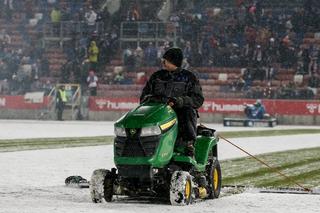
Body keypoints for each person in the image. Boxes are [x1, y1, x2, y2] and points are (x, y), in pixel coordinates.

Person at [140, 48, 204, 157]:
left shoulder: (189, 77)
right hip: (159, 112)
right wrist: (155, 100)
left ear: (172, 61)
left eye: (165, 60)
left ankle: (188, 144)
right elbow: (143, 98)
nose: (163, 62)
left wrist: (180, 101)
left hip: (180, 113)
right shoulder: (157, 76)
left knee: (187, 111)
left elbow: (198, 99)